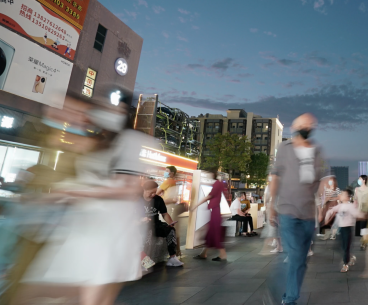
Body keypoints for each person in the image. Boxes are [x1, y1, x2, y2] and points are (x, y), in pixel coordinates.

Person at [20, 90, 156, 305]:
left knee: (93, 284)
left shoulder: (128, 140)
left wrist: (72, 191)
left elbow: (127, 190)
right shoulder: (96, 139)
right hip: (83, 222)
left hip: (108, 224)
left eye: (112, 108)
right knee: (81, 285)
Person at [265, 113, 331, 305]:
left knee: (301, 259)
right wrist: (271, 204)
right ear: (296, 126)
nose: (309, 126)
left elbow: (321, 180)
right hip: (287, 210)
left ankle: (285, 292)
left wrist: (321, 206)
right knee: (294, 255)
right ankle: (288, 298)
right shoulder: (284, 148)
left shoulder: (317, 150)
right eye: (305, 123)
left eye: (312, 123)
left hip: (308, 213)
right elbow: (276, 177)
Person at [189, 167, 228, 262]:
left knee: (214, 233)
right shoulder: (218, 183)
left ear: (212, 174)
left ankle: (223, 254)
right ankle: (204, 253)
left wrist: (195, 205)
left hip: (215, 211)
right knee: (211, 233)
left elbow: (209, 196)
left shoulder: (216, 184)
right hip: (215, 210)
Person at [142, 180, 183, 267]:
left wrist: (170, 222)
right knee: (147, 231)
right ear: (144, 190)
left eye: (154, 192)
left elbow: (164, 214)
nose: (153, 195)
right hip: (141, 225)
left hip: (155, 224)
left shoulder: (158, 199)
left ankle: (172, 257)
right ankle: (144, 261)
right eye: (151, 192)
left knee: (171, 230)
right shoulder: (137, 200)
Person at [325, 188, 360, 272]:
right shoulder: (340, 205)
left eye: (343, 194)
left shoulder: (350, 206)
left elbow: (356, 214)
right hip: (341, 229)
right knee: (339, 247)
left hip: (348, 229)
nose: (341, 195)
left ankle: (345, 264)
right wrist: (327, 216)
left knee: (346, 247)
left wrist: (362, 215)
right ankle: (351, 257)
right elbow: (332, 210)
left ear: (348, 197)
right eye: (341, 194)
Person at [354, 175, 368, 250]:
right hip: (359, 210)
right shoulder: (356, 189)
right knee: (362, 227)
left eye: (360, 179)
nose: (359, 180)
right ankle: (365, 240)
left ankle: (364, 242)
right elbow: (355, 200)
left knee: (364, 226)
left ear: (364, 180)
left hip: (367, 209)